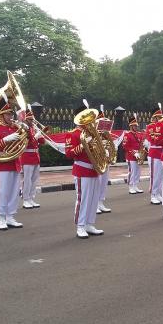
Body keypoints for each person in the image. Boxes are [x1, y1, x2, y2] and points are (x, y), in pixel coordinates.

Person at [65, 101, 104, 239]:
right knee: (83, 199)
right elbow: (69, 153)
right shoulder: (73, 134)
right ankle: (80, 226)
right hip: (82, 170)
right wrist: (83, 145)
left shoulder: (92, 133)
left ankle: (89, 224)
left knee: (93, 199)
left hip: (94, 169)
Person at [0, 92, 24, 230]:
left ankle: (10, 216)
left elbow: (24, 143)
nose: (11, 117)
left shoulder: (15, 128)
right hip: (3, 165)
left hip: (15, 163)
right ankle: (1, 217)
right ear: (2, 115)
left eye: (11, 114)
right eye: (8, 114)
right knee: (4, 192)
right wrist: (5, 140)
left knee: (15, 191)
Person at [20, 106, 45, 209]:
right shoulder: (24, 129)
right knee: (27, 179)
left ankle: (31, 198)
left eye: (32, 119)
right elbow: (26, 143)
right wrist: (35, 136)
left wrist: (40, 134)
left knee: (34, 179)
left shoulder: (33, 129)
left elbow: (42, 142)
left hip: (35, 156)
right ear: (26, 119)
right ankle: (25, 199)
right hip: (27, 157)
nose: (32, 121)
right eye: (30, 119)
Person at [96, 105, 113, 214]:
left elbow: (110, 144)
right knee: (98, 181)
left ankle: (101, 202)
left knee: (104, 181)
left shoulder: (106, 133)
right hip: (97, 159)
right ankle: (96, 203)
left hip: (105, 159)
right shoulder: (94, 132)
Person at [123, 113, 145, 194]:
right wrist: (134, 153)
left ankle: (135, 185)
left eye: (136, 126)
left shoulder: (139, 134)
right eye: (134, 126)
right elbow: (125, 146)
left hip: (139, 155)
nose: (136, 127)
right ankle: (130, 186)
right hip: (131, 156)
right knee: (132, 172)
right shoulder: (127, 135)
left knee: (138, 172)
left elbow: (142, 143)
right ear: (131, 126)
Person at [146, 107, 163, 204]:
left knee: (160, 176)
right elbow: (153, 140)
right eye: (159, 117)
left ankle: (158, 194)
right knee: (154, 175)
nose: (161, 118)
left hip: (161, 153)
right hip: (154, 153)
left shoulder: (162, 126)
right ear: (155, 117)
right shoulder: (150, 127)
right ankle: (153, 194)